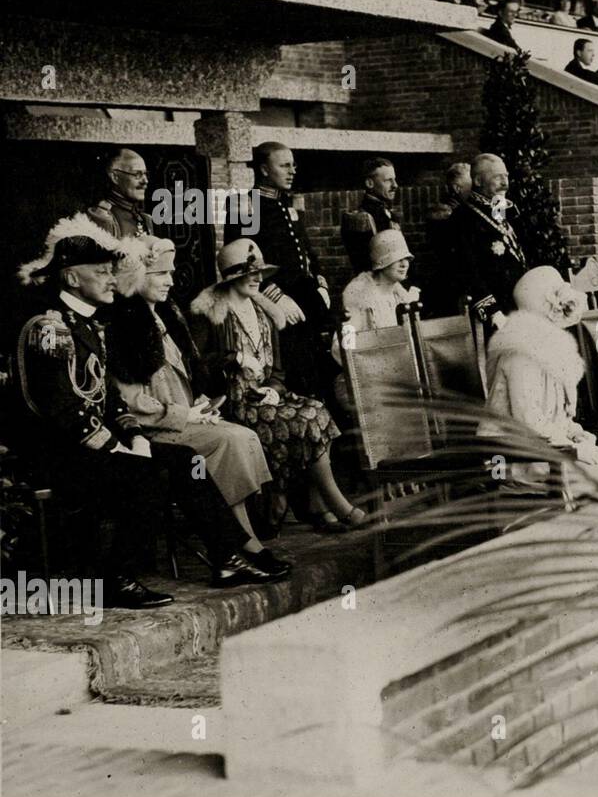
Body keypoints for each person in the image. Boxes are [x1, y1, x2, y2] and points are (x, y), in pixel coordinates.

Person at [14, 215, 282, 607]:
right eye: (102, 272)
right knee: (149, 472)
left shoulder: (89, 325)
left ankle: (226, 556)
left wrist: (134, 435)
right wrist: (116, 447)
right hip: (61, 454)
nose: (112, 279)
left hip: (95, 445)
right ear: (72, 278)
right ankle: (115, 577)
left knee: (186, 459)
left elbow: (109, 399)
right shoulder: (51, 329)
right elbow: (63, 410)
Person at [105, 236, 289, 576]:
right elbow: (130, 400)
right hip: (153, 428)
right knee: (230, 440)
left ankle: (239, 543)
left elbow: (180, 376)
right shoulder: (125, 324)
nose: (171, 281)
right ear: (138, 275)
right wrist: (183, 414)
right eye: (161, 274)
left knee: (242, 437)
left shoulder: (160, 315)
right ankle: (244, 543)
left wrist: (200, 403)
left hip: (178, 416)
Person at [190, 239, 365, 534]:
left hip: (265, 398)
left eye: (260, 273)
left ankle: (316, 502)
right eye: (251, 274)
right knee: (303, 420)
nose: (258, 279)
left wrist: (273, 388)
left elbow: (278, 370)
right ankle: (331, 506)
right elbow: (197, 364)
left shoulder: (265, 314)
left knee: (319, 411)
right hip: (231, 402)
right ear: (233, 276)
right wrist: (235, 358)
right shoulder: (210, 313)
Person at [483, 265, 598, 490]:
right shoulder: (520, 355)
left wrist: (576, 434)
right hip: (507, 457)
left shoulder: (547, 351)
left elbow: (555, 417)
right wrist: (571, 447)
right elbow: (529, 421)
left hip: (546, 450)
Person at [222, 142, 334, 400]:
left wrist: (321, 284)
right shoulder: (244, 205)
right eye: (284, 165)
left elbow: (307, 251)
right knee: (297, 374)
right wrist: (276, 297)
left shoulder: (287, 204)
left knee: (325, 365)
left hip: (306, 297)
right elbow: (241, 264)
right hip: (275, 303)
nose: (292, 170)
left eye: (293, 164)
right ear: (263, 169)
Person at [446, 153, 532, 329]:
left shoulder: (503, 208)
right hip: (496, 311)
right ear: (478, 181)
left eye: (506, 176)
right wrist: (492, 311)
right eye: (497, 177)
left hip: (521, 304)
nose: (505, 183)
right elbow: (467, 270)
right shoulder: (463, 217)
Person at [341, 229, 421, 332]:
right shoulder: (360, 295)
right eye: (398, 259)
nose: (404, 264)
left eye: (406, 258)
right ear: (381, 262)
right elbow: (347, 342)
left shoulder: (400, 295)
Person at [341, 157, 400, 274]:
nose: (395, 185)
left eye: (395, 179)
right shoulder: (361, 219)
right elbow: (364, 265)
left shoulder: (389, 214)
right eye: (388, 180)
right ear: (369, 183)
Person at [90, 148, 154, 239]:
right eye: (137, 174)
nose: (145, 181)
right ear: (115, 177)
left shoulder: (146, 219)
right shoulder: (102, 218)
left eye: (145, 174)